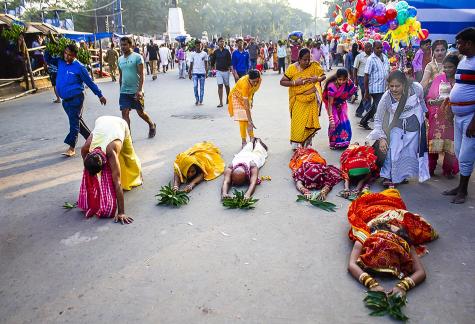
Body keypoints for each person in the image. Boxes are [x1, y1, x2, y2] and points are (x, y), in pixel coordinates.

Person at [347, 189, 438, 296]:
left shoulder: (402, 238)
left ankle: (369, 192)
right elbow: (351, 265)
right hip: (374, 212)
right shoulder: (365, 234)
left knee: (390, 195)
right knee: (383, 195)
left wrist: (402, 286)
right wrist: (371, 284)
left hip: (387, 208)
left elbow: (420, 272)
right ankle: (368, 192)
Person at [367, 70, 430, 187]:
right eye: (391, 86)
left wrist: (426, 115)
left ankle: (401, 176)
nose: (394, 89)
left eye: (397, 86)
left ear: (404, 84)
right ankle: (387, 176)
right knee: (393, 150)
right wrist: (381, 138)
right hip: (396, 125)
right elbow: (378, 119)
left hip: (414, 126)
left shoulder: (416, 88)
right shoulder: (386, 97)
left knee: (409, 152)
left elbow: (421, 101)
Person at [45, 43, 107, 157]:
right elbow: (48, 59)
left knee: (74, 123)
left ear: (74, 55)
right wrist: (49, 46)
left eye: (69, 55)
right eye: (65, 53)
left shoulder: (80, 67)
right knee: (77, 122)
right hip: (65, 101)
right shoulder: (60, 62)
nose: (66, 56)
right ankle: (93, 140)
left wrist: (100, 95)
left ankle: (71, 147)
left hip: (76, 98)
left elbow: (90, 82)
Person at [79, 116, 142, 225]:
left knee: (128, 156)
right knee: (115, 167)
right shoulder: (85, 149)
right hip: (102, 121)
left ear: (104, 164)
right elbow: (87, 167)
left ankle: (138, 176)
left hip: (121, 125)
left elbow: (117, 182)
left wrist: (121, 212)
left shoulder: (111, 151)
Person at [443, 27, 475, 204]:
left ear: (469, 43)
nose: (457, 46)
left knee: (466, 155)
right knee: (458, 151)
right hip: (459, 116)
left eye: (460, 43)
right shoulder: (464, 61)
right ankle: (459, 187)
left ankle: (463, 191)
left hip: (471, 117)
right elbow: (462, 86)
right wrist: (451, 99)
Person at [280, 48, 326, 149]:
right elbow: (282, 82)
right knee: (297, 123)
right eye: (304, 60)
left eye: (308, 59)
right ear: (299, 59)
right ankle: (297, 144)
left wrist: (317, 79)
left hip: (311, 100)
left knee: (309, 123)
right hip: (298, 100)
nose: (307, 62)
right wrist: (296, 82)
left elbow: (323, 76)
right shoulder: (292, 68)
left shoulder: (314, 66)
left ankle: (308, 143)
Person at [426, 55, 460, 178]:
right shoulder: (439, 79)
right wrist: (434, 103)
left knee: (451, 144)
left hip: (454, 117)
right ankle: (430, 169)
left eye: (450, 67)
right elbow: (430, 97)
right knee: (433, 144)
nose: (447, 70)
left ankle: (448, 169)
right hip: (438, 117)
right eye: (445, 67)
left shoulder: (460, 81)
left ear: (457, 67)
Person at [118, 36, 157, 137]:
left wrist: (140, 90)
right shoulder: (120, 59)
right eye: (121, 45)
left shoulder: (137, 57)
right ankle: (128, 138)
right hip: (124, 92)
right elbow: (121, 76)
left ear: (131, 45)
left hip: (136, 91)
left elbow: (142, 74)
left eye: (125, 45)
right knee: (125, 113)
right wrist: (120, 90)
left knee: (141, 113)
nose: (123, 47)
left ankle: (151, 125)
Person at [323, 68, 358, 149]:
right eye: (340, 79)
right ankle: (333, 142)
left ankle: (343, 142)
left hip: (342, 103)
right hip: (332, 104)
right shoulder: (331, 86)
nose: (342, 82)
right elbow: (330, 104)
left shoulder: (348, 82)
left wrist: (352, 96)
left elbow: (352, 89)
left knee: (344, 120)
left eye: (344, 80)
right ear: (336, 78)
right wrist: (331, 117)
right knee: (335, 122)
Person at [360, 41, 390, 130]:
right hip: (375, 88)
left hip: (383, 87)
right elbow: (366, 75)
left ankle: (364, 121)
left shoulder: (385, 57)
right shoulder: (371, 59)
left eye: (381, 48)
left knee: (375, 107)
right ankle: (382, 127)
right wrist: (366, 91)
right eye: (377, 48)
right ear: (373, 48)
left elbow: (387, 71)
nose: (380, 49)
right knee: (381, 107)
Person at [228, 69, 262, 147]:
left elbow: (253, 90)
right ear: (249, 79)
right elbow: (246, 107)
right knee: (243, 120)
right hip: (237, 96)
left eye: (257, 81)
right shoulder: (245, 84)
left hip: (247, 96)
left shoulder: (259, 79)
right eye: (253, 81)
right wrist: (250, 121)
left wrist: (251, 100)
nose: (255, 83)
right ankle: (244, 141)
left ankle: (252, 139)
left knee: (247, 119)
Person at [210, 37, 232, 108]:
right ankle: (220, 102)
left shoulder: (227, 51)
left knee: (227, 86)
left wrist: (230, 68)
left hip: (226, 71)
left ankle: (228, 98)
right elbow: (212, 61)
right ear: (218, 43)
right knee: (220, 86)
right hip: (218, 71)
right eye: (220, 41)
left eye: (223, 41)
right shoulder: (216, 52)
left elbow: (230, 60)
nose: (222, 43)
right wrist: (212, 68)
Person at [353, 42, 372, 117]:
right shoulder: (359, 56)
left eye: (371, 47)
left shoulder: (373, 57)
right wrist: (355, 80)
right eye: (368, 47)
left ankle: (359, 111)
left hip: (370, 78)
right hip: (361, 78)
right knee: (365, 94)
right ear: (364, 48)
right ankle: (369, 113)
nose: (369, 49)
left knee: (366, 94)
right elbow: (355, 68)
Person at [188, 41, 209, 106]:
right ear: (195, 46)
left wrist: (206, 72)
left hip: (202, 73)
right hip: (195, 73)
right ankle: (197, 99)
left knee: (202, 88)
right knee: (195, 86)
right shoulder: (192, 54)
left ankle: (201, 100)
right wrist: (189, 73)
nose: (198, 47)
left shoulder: (204, 54)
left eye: (200, 45)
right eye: (197, 45)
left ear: (201, 46)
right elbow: (191, 64)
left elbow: (206, 64)